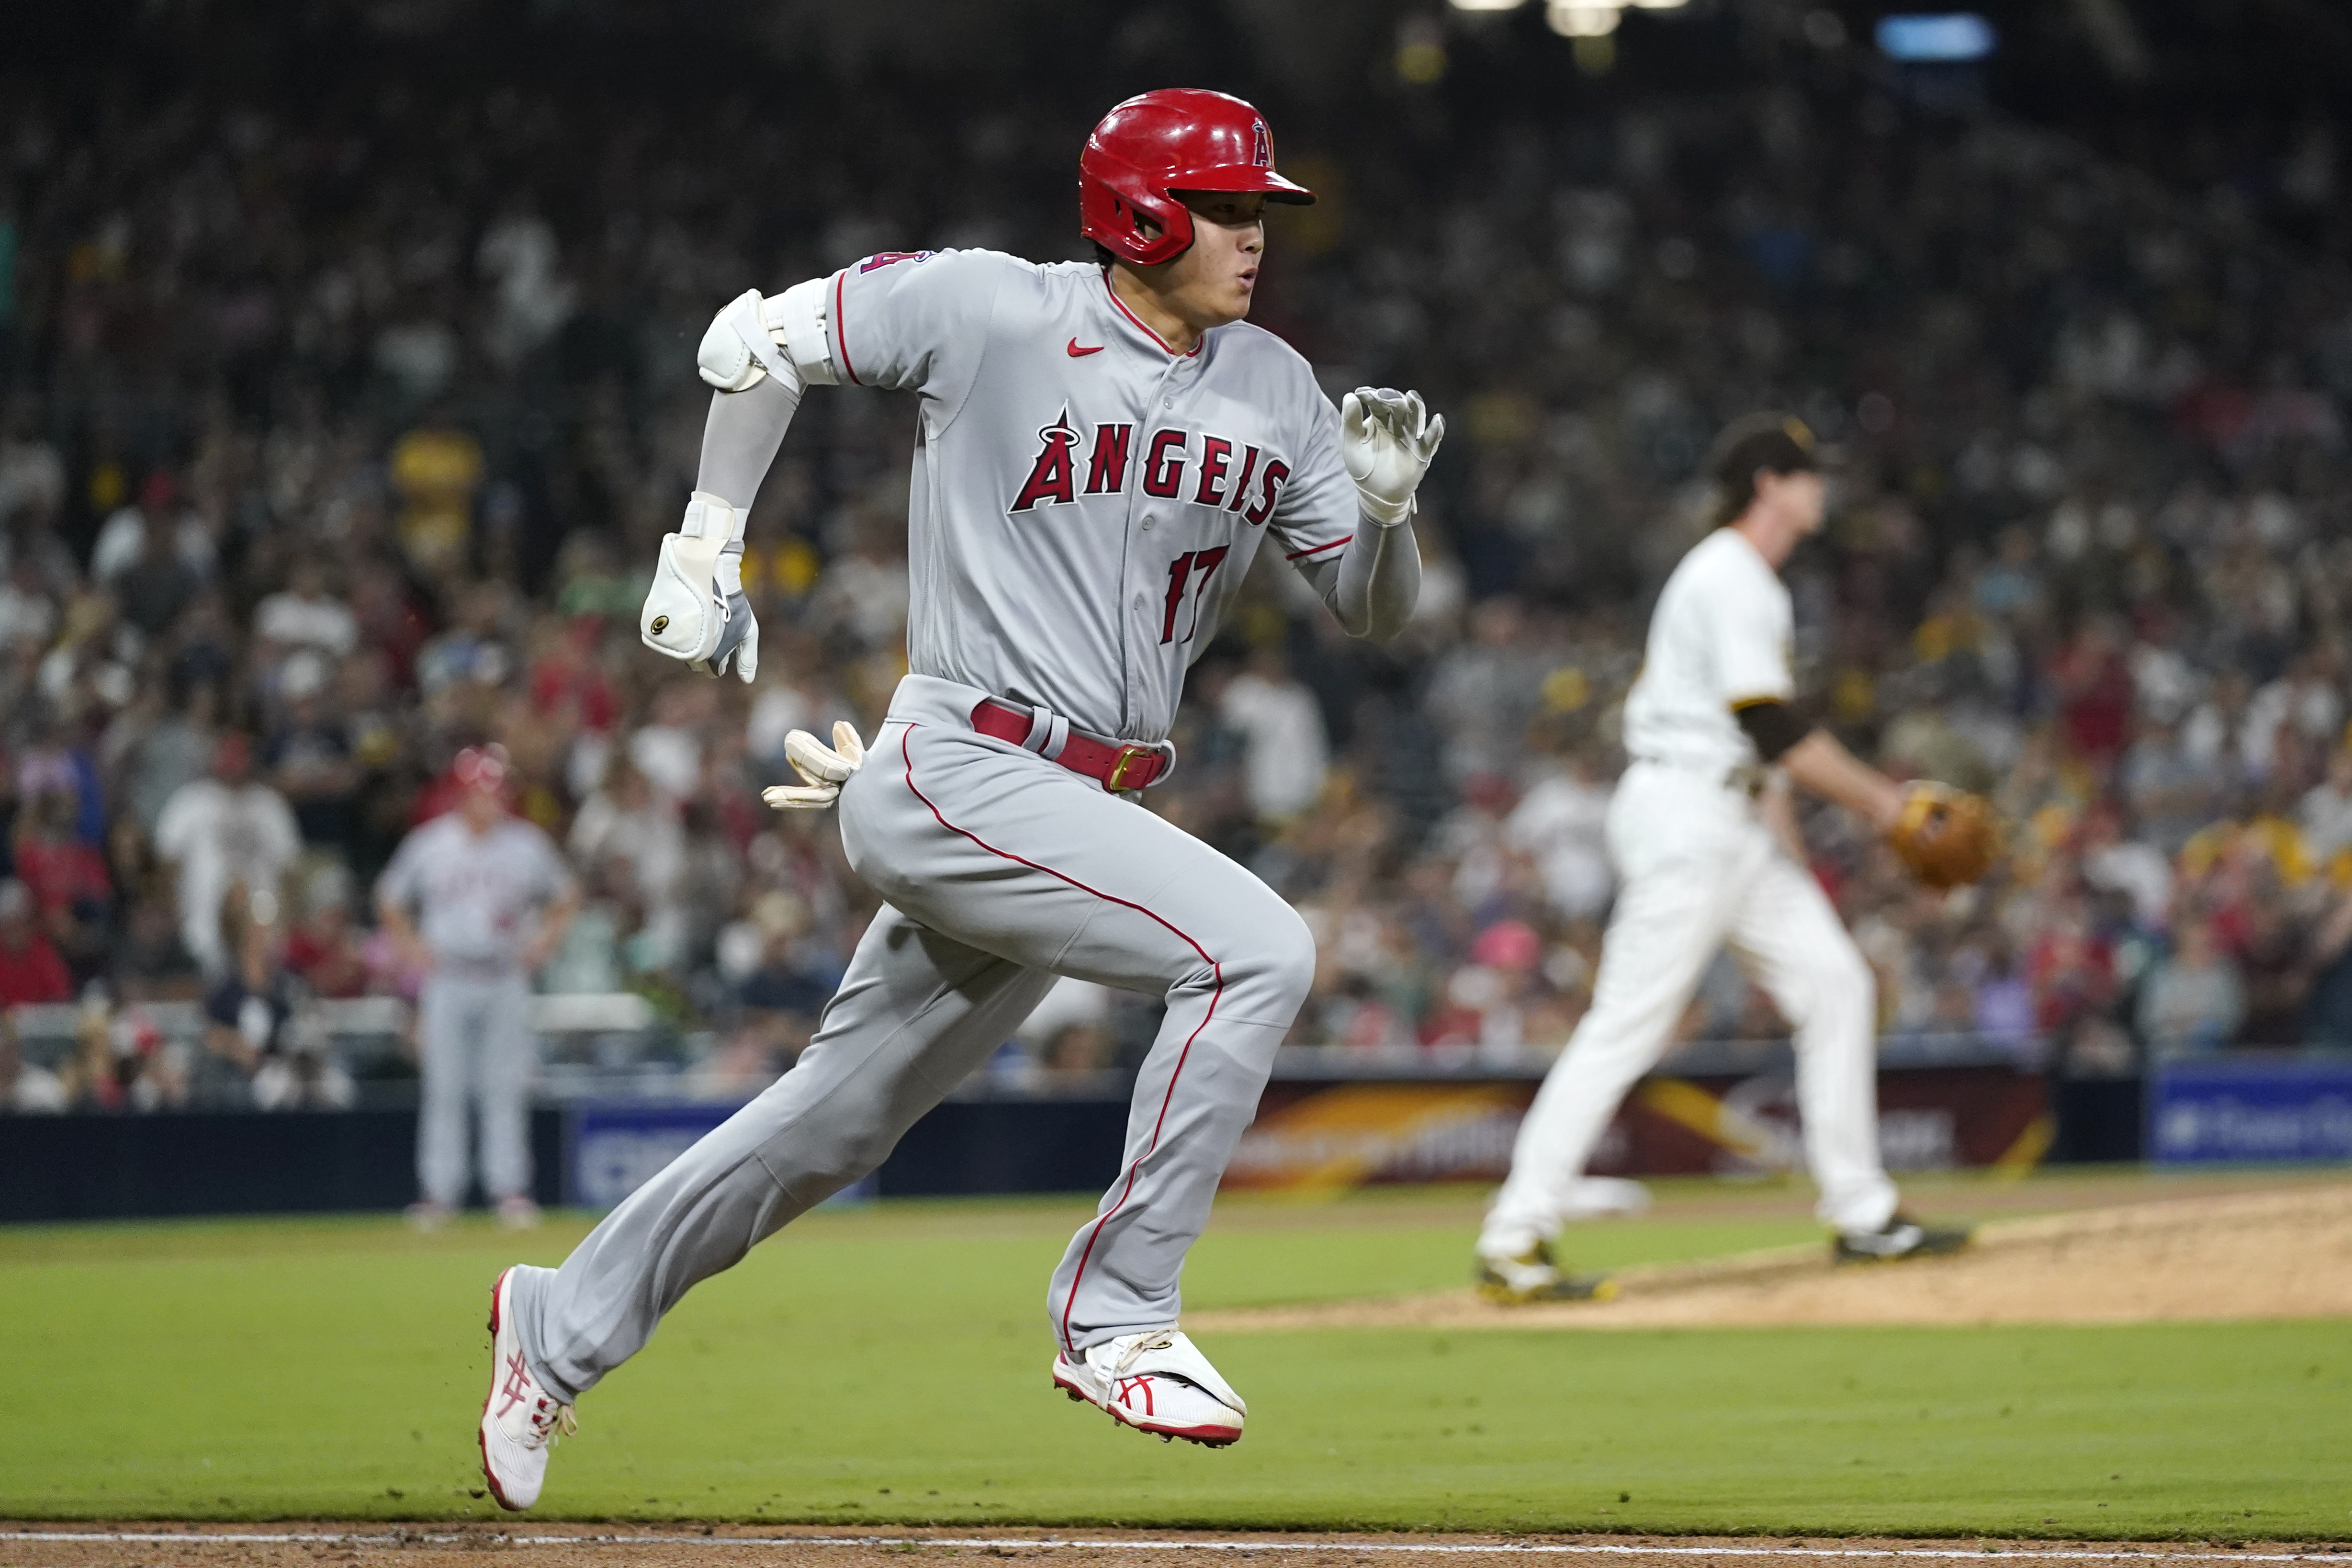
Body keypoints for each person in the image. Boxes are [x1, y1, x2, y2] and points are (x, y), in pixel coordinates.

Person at [478, 88, 1442, 1508]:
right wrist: (703, 547)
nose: (1253, 234)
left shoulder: (1275, 385)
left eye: (1255, 209)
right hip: (960, 761)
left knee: (832, 1124)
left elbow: (1368, 613)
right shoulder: (990, 310)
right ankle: (1116, 1311)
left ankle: (554, 1325)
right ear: (1143, 213)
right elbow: (753, 343)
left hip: (1073, 805)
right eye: (1228, 206)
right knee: (1255, 947)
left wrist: (1383, 515)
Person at [1473, 415, 1970, 1306]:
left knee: (1837, 985)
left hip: (1728, 813)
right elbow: (1770, 726)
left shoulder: (1741, 579)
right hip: (1686, 815)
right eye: (1807, 474)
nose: (1821, 488)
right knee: (1627, 1024)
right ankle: (1514, 1234)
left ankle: (1862, 1212)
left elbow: (1759, 746)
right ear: (1768, 485)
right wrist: (1886, 804)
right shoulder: (1732, 574)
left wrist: (1790, 855)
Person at [377, 746, 577, 1233]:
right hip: (448, 975)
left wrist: (546, 940)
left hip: (504, 973)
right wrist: (410, 947)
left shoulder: (525, 844)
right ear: (461, 794)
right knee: (445, 1086)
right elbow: (389, 897)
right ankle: (439, 1193)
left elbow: (566, 895)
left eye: (495, 790)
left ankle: (507, 1188)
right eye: (480, 791)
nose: (491, 800)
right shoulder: (432, 843)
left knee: (504, 1087)